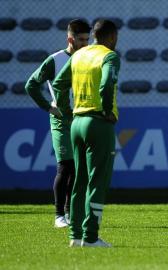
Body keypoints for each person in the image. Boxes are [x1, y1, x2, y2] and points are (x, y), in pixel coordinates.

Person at [53, 19, 120, 247]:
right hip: (98, 124)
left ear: (93, 36)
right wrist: (107, 109)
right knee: (97, 182)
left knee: (79, 181)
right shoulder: (109, 56)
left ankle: (75, 236)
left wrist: (65, 110)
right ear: (112, 37)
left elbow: (60, 84)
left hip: (76, 123)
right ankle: (91, 237)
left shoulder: (78, 55)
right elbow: (106, 85)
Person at [25, 19, 91, 228]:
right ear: (70, 39)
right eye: (81, 39)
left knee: (79, 169)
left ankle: (70, 213)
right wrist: (48, 107)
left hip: (80, 117)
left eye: (87, 40)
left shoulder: (88, 59)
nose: (85, 44)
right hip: (62, 120)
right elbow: (31, 85)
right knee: (65, 166)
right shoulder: (55, 60)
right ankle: (58, 216)